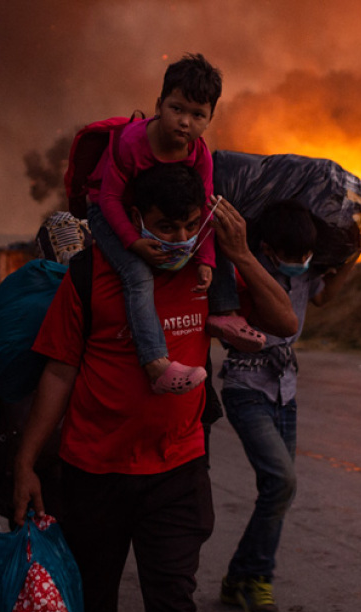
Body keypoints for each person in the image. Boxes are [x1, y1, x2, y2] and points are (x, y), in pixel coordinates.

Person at [12, 163, 298, 612]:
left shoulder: (208, 271)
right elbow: (59, 372)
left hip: (177, 471)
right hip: (92, 471)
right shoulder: (90, 273)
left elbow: (283, 321)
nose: (181, 238)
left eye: (191, 225)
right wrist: (25, 463)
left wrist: (241, 253)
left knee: (172, 605)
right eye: (166, 227)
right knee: (92, 605)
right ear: (135, 219)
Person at [87, 53, 264, 396]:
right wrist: (133, 243)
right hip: (111, 210)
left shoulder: (199, 155)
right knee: (137, 276)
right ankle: (156, 365)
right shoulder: (131, 143)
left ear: (210, 119)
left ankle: (224, 313)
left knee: (222, 219)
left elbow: (206, 210)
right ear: (159, 104)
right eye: (177, 109)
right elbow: (109, 199)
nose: (185, 122)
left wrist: (206, 261)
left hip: (159, 212)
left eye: (197, 115)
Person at [217, 199, 357, 612]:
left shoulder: (306, 267)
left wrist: (354, 254)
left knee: (276, 490)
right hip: (245, 386)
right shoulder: (246, 272)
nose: (298, 264)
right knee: (282, 481)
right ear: (266, 247)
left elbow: (324, 298)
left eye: (304, 257)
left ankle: (241, 577)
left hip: (285, 389)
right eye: (290, 257)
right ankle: (256, 577)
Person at [0, 212, 91, 523]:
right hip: (73, 452)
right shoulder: (97, 295)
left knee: (26, 548)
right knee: (70, 552)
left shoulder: (18, 297)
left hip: (21, 445)